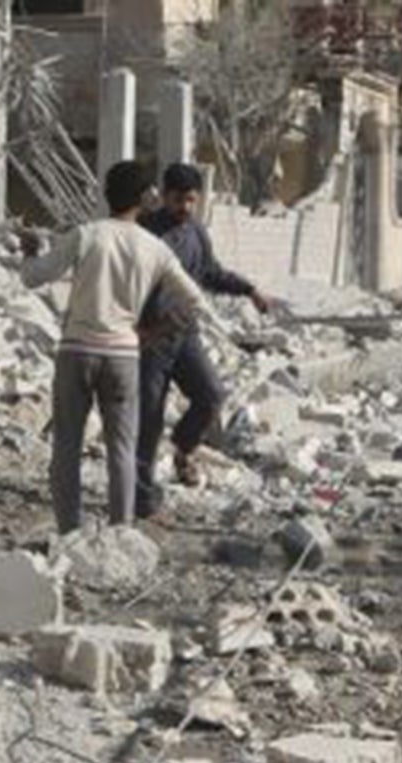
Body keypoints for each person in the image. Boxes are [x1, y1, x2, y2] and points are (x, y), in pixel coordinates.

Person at [22, 160, 202, 535]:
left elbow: (34, 277)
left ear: (107, 194)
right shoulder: (155, 248)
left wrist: (29, 251)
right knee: (121, 450)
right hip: (123, 355)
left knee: (67, 449)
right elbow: (194, 301)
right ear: (144, 198)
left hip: (76, 351)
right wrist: (155, 332)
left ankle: (70, 533)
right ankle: (121, 532)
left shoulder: (86, 235)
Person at [137, 163, 272, 513]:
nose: (185, 208)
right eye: (179, 200)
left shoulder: (196, 231)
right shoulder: (144, 232)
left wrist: (249, 289)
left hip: (185, 336)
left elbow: (210, 272)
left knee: (211, 395)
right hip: (149, 340)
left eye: (192, 201)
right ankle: (139, 496)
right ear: (163, 195)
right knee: (148, 418)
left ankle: (183, 450)